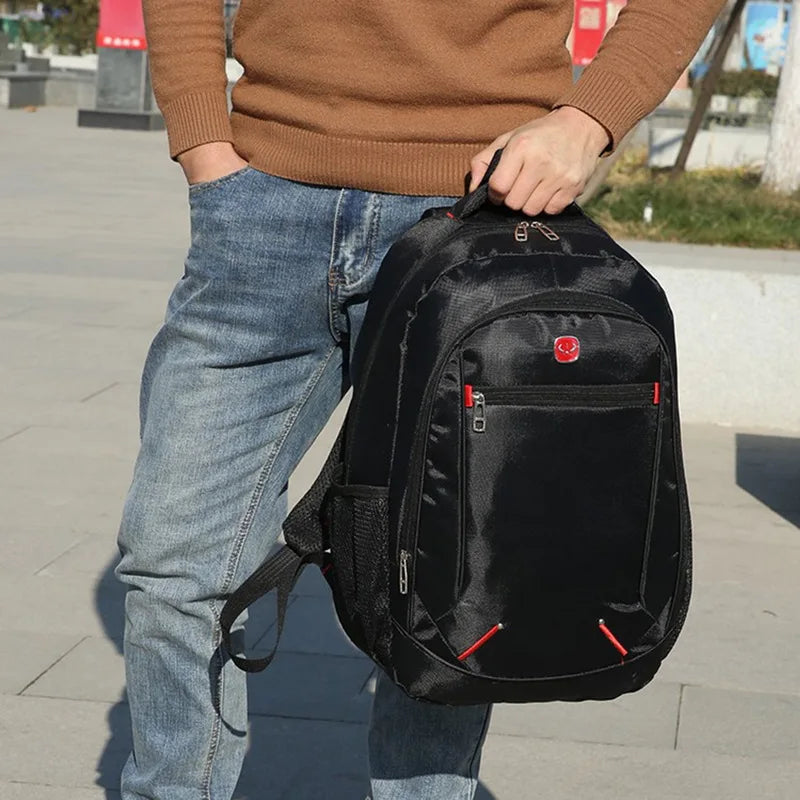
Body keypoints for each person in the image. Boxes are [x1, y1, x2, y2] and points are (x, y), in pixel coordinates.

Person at [115, 1, 725, 797]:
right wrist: (203, 142)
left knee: (456, 578)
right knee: (173, 559)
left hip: (482, 211)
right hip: (263, 207)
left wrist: (587, 120)